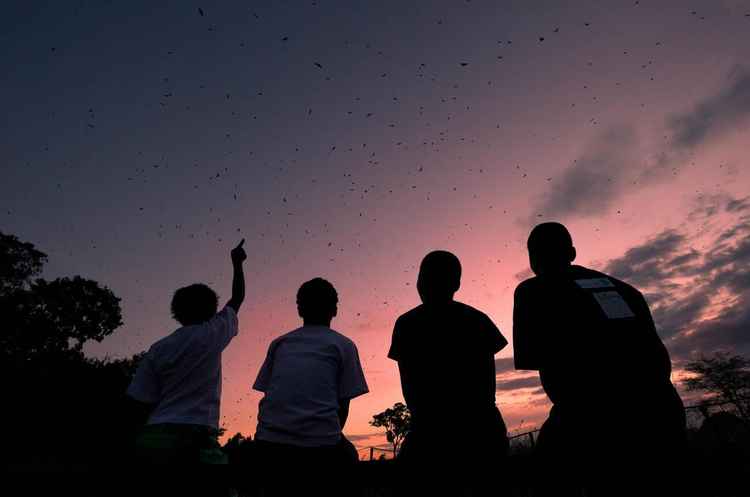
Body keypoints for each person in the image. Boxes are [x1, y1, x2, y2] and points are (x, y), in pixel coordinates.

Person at [513, 223, 686, 492]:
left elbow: (536, 357)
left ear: (533, 259)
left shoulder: (533, 290)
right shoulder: (627, 289)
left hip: (591, 419)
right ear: (572, 252)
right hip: (663, 412)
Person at [388, 250, 509, 484]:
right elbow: (487, 382)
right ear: (457, 283)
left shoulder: (407, 324)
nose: (423, 285)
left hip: (434, 432)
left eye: (426, 278)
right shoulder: (478, 319)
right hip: (478, 430)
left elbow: (410, 386)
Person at [126, 239, 247, 466]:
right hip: (196, 436)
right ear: (212, 310)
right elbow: (237, 298)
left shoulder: (159, 348)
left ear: (176, 312)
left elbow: (139, 401)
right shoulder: (213, 333)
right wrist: (237, 263)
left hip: (155, 436)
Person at [252, 277, 368, 494]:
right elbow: (343, 405)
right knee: (350, 457)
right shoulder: (343, 345)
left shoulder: (280, 343)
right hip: (320, 447)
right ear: (334, 310)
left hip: (268, 444)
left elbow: (271, 394)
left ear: (299, 309)